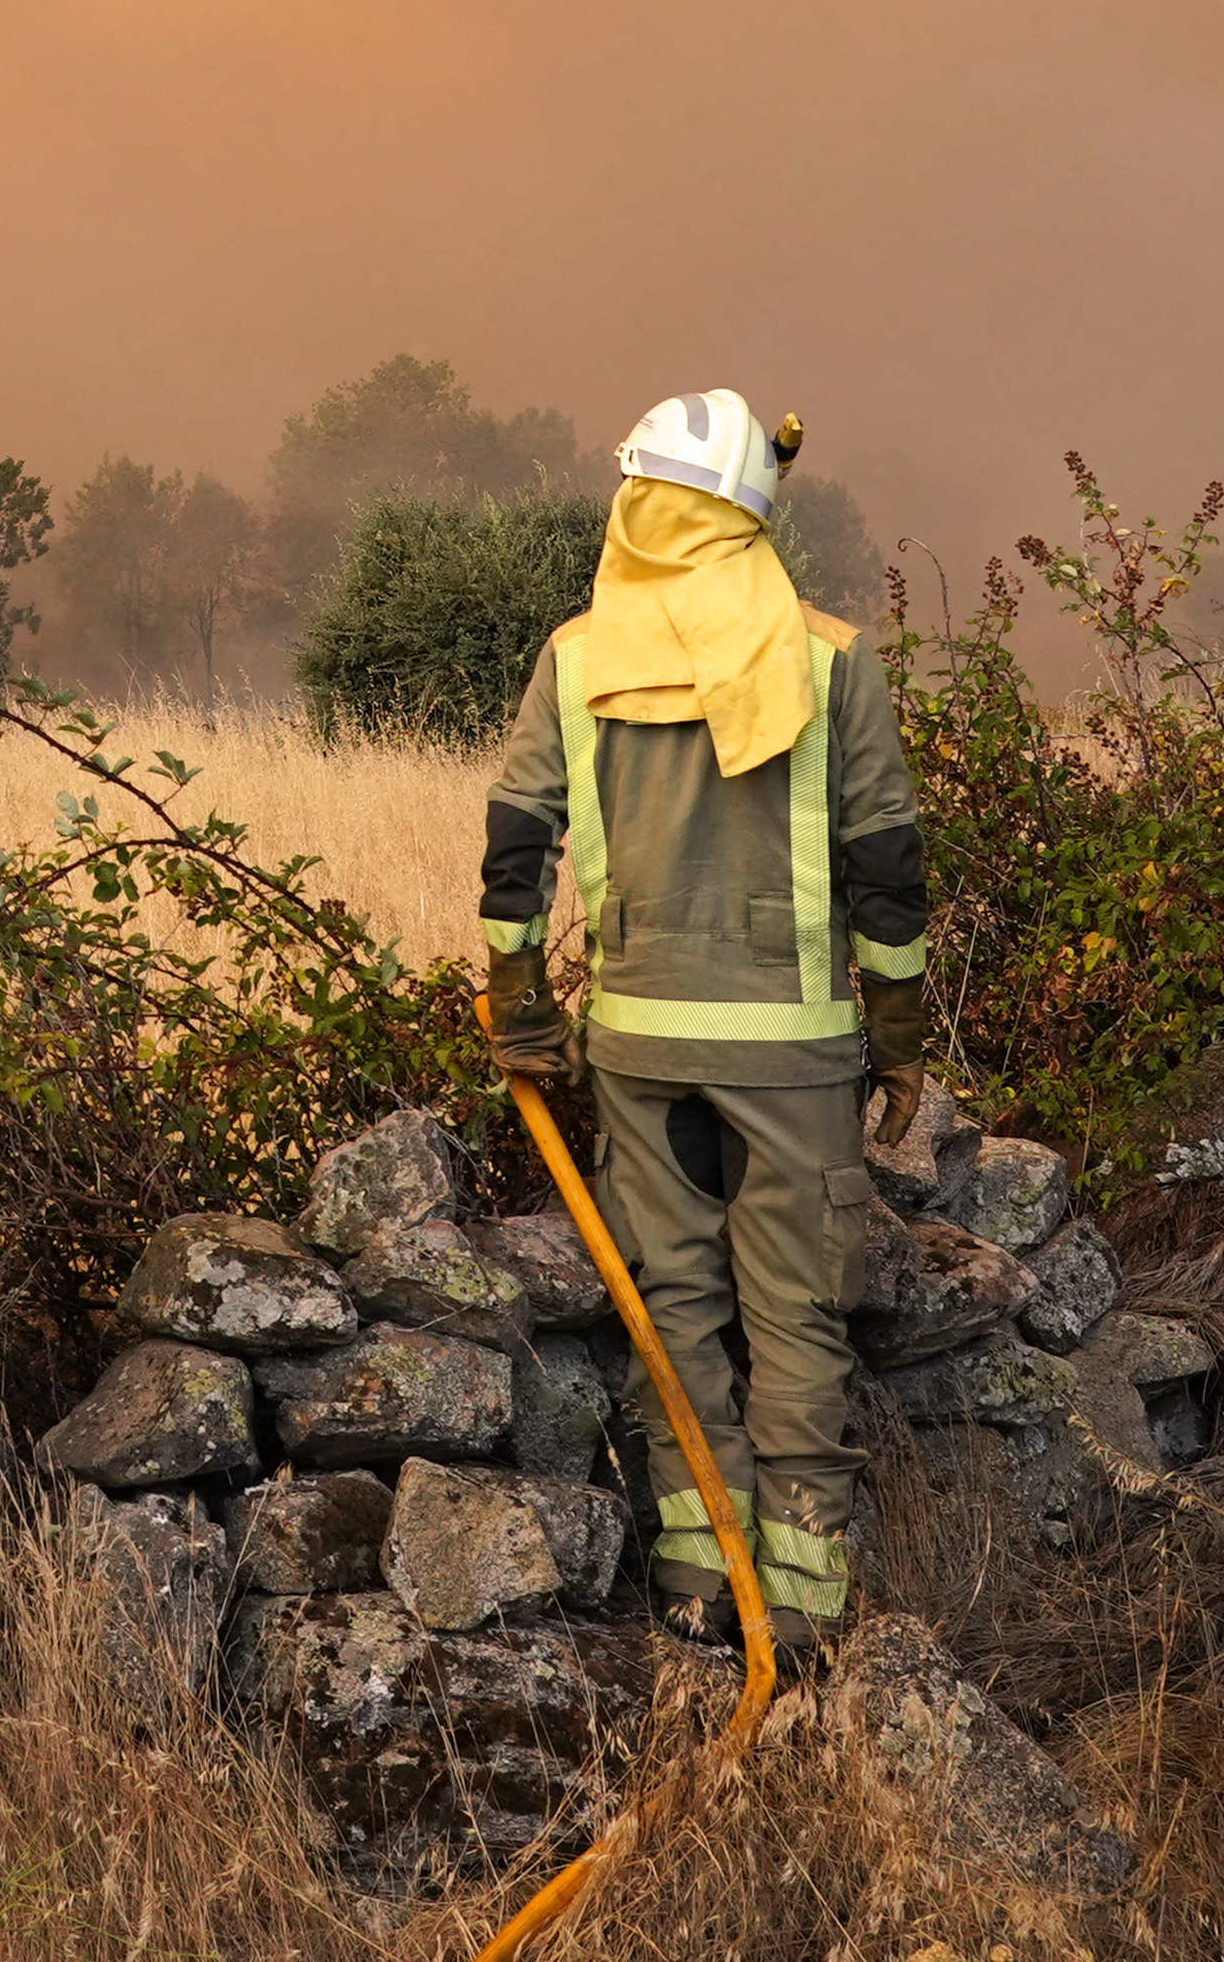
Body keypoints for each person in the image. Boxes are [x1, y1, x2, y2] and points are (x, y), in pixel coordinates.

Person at [479, 387, 931, 1646]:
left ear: (642, 503)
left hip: (635, 1043)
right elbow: (889, 871)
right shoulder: (829, 655)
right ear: (751, 516)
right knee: (795, 1310)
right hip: (788, 1056)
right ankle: (798, 1605)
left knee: (670, 1305)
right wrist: (894, 1044)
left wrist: (521, 1007)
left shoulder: (577, 657)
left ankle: (696, 1588)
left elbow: (516, 842)